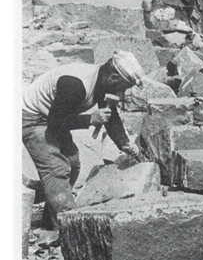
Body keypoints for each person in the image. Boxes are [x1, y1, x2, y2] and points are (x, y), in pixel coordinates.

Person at [22, 52, 145, 236]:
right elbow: (56, 121)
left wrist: (124, 143)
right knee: (56, 168)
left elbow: (111, 117)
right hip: (32, 117)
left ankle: (53, 220)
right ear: (114, 77)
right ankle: (73, 232)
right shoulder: (76, 84)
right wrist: (89, 119)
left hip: (51, 116)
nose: (122, 93)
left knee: (73, 163)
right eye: (123, 87)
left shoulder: (103, 82)